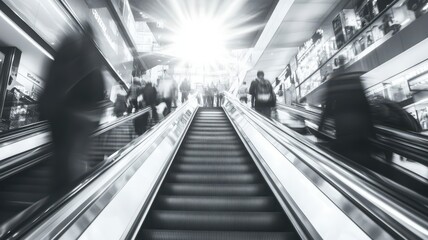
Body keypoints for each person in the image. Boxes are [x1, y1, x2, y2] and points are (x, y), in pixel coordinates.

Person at [39, 23, 105, 191]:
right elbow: (97, 85)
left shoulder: (66, 46)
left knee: (61, 154)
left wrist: (46, 106)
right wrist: (96, 115)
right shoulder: (91, 54)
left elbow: (50, 76)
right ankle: (72, 195)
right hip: (81, 115)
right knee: (74, 155)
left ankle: (59, 192)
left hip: (58, 112)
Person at [318, 72, 374, 164]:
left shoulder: (333, 82)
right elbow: (366, 106)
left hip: (344, 131)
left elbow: (327, 109)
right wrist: (372, 132)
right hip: (361, 131)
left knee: (349, 162)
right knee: (364, 160)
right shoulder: (356, 79)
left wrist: (320, 129)